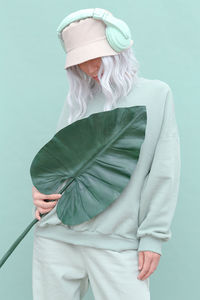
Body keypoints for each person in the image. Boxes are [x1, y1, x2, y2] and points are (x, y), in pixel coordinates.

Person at [32, 8, 181, 300]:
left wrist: (153, 237)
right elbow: (61, 162)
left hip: (117, 241)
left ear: (117, 47)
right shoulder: (77, 100)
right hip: (55, 238)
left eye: (94, 55)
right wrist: (40, 193)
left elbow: (165, 172)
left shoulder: (156, 95)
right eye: (79, 60)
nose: (88, 67)